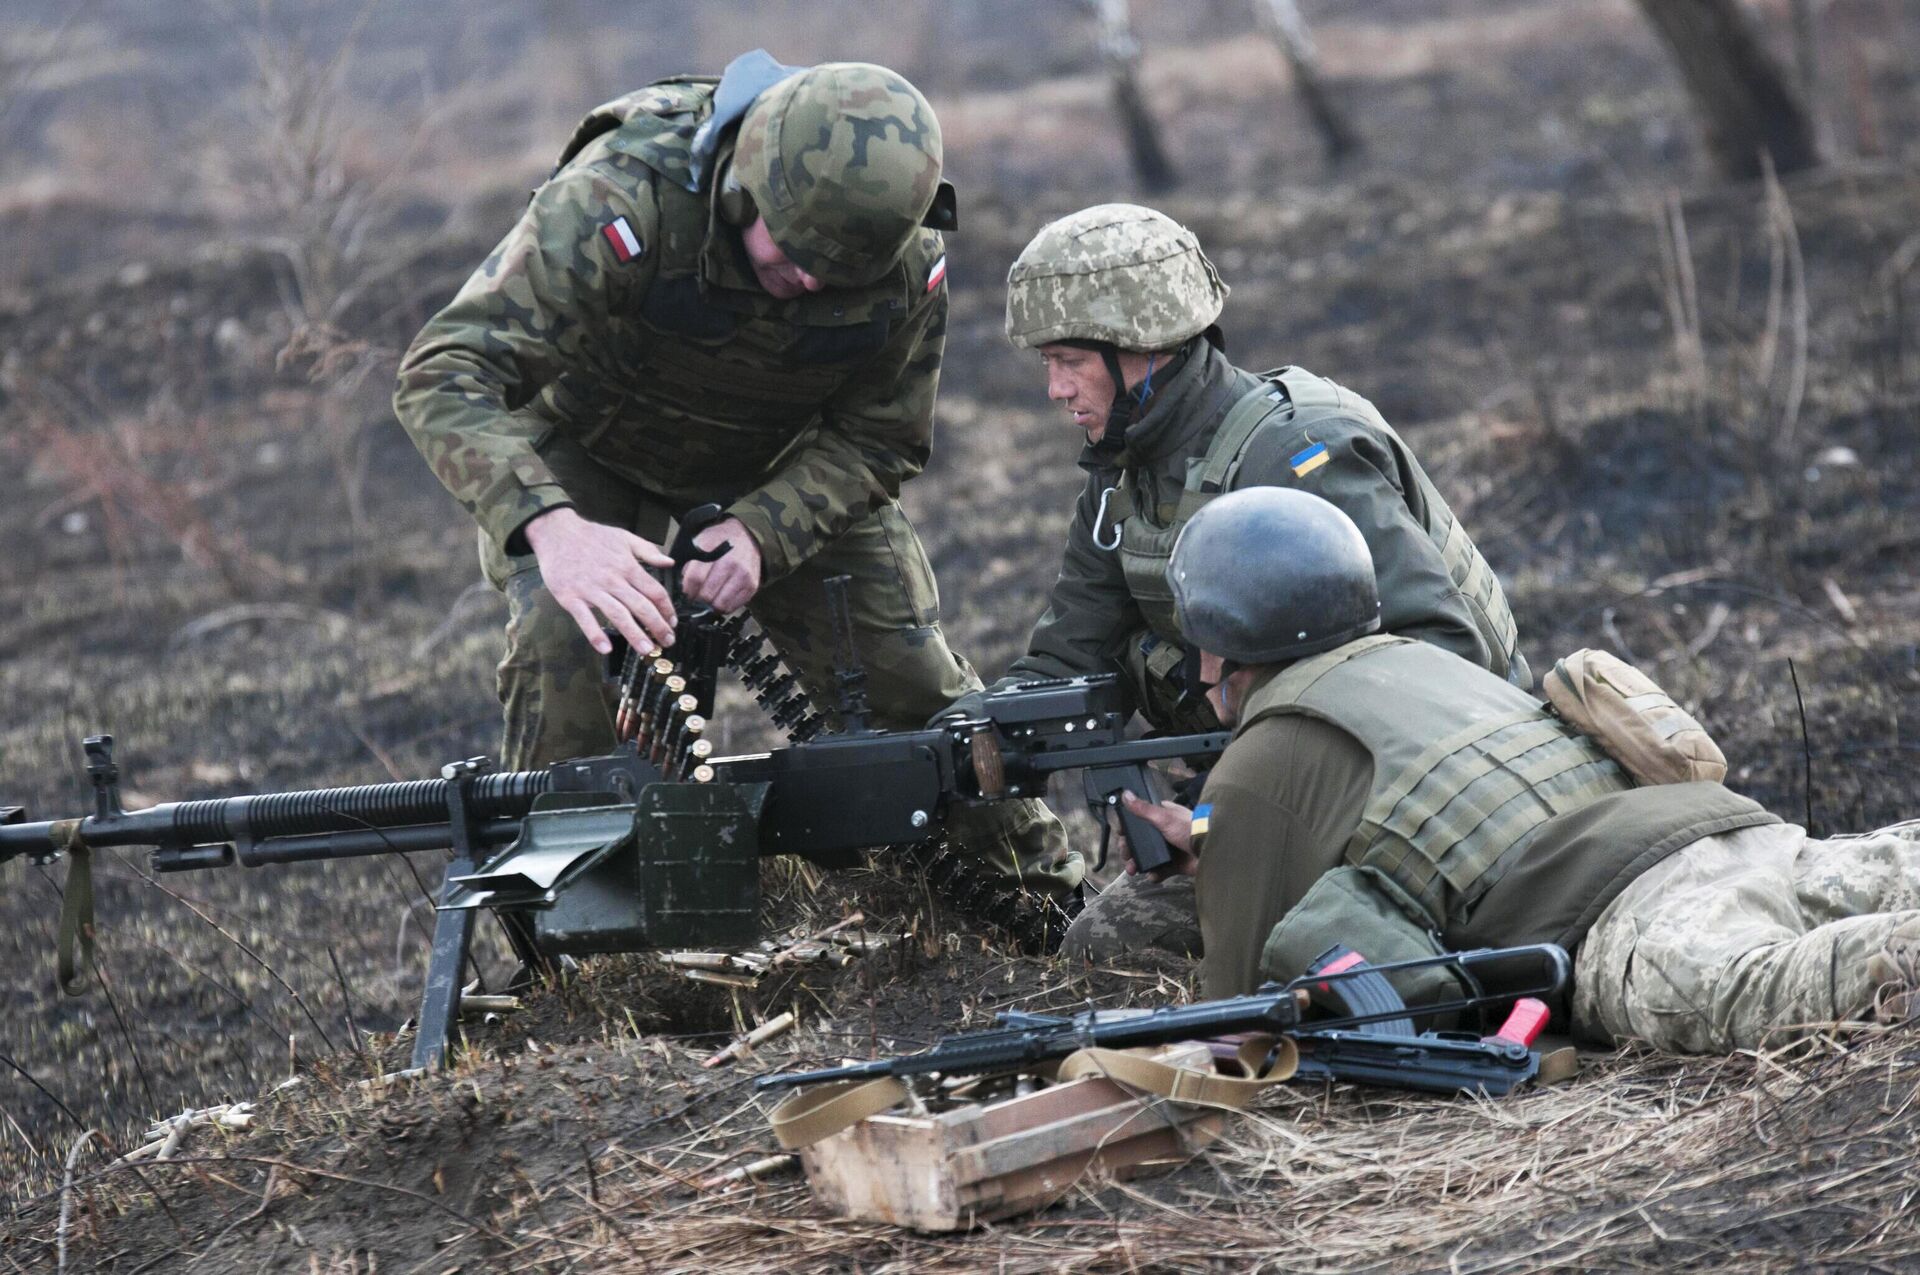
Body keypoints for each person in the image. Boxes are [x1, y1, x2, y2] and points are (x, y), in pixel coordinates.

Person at [393, 51, 1079, 897]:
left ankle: (1042, 898)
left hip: (779, 459)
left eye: (836, 276)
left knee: (907, 672)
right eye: (793, 257)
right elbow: (442, 372)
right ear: (743, 189)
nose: (810, 283)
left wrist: (765, 528)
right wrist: (555, 531)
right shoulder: (624, 195)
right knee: (565, 650)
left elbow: (882, 437)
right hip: (592, 442)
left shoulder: (903, 258)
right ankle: (575, 943)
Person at [1106, 486, 1920, 1054]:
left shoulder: (1256, 760)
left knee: (1815, 984)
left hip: (1614, 919)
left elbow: (1245, 1011)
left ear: (1222, 641)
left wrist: (1222, 856)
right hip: (1726, 833)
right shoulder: (1420, 660)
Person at [977, 203, 1527, 956]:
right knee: (1101, 950)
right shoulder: (1124, 477)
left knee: (1134, 961)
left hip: (1427, 797)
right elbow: (1072, 647)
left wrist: (1219, 824)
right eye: (1047, 363)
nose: (1054, 388)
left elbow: (1440, 659)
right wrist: (976, 731)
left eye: (1069, 359)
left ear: (1143, 345)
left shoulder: (1295, 455)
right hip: (1273, 794)